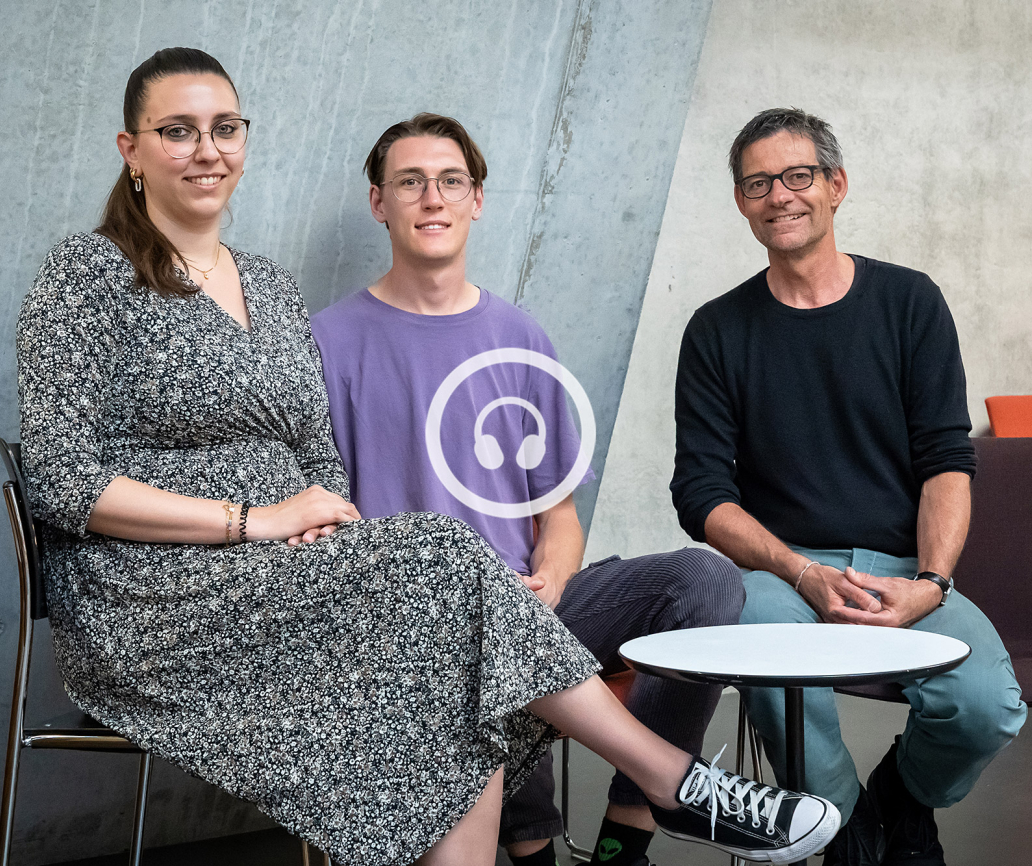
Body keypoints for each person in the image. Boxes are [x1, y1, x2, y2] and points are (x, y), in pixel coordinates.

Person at [16, 50, 839, 866]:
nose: (206, 149)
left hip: (301, 569)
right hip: (163, 598)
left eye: (224, 128)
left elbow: (321, 469)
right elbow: (60, 479)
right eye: (177, 130)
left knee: (471, 600)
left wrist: (319, 533)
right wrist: (254, 521)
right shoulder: (86, 275)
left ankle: (625, 813)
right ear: (131, 150)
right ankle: (672, 781)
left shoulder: (266, 285)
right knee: (442, 568)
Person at [311, 113, 795, 866]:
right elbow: (318, 523)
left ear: (478, 200)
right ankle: (533, 845)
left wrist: (550, 581)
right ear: (380, 203)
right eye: (410, 182)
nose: (431, 198)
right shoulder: (327, 342)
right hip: (408, 625)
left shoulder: (520, 336)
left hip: (535, 603)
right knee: (478, 663)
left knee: (704, 578)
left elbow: (558, 517)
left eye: (451, 182)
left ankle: (625, 836)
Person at [670, 107, 1028, 866]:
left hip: (902, 567)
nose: (780, 195)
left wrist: (931, 583)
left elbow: (945, 460)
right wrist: (797, 568)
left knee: (984, 709)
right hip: (782, 569)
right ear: (741, 201)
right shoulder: (716, 330)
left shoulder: (909, 302)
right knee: (765, 660)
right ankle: (843, 833)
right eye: (759, 182)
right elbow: (701, 493)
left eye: (798, 176)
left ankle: (902, 798)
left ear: (835, 186)